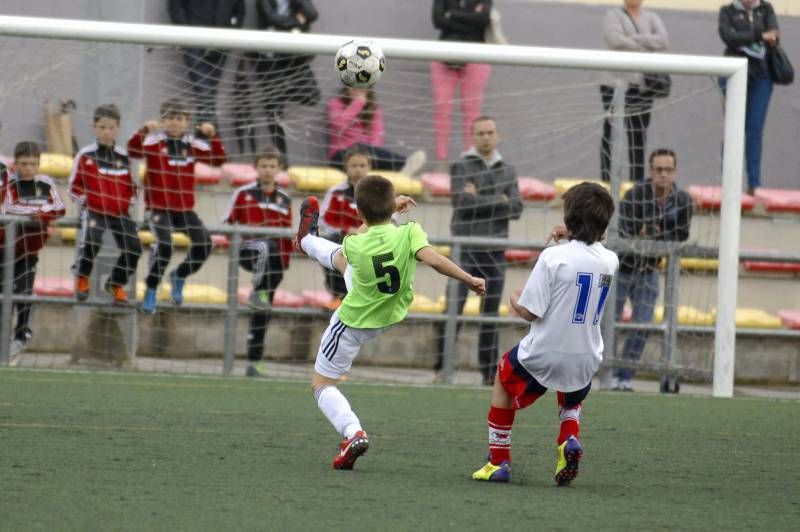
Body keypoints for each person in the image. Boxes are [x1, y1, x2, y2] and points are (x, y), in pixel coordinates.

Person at [294, 175, 486, 470]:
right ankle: (306, 238)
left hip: (353, 321)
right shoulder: (410, 233)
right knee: (342, 262)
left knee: (321, 384)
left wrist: (388, 211)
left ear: (359, 212)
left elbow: (360, 238)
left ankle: (352, 432)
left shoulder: (356, 242)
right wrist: (469, 278)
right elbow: (434, 260)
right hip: (391, 313)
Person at [471, 182, 618, 485]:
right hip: (588, 357)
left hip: (544, 352)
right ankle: (569, 438)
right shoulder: (610, 261)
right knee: (571, 392)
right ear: (604, 224)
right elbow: (590, 249)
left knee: (502, 377)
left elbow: (530, 312)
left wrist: (514, 299)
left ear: (568, 219)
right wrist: (577, 237)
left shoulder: (553, 258)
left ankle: (498, 461)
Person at [434, 116, 523, 385]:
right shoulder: (460, 166)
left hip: (494, 250)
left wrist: (479, 197)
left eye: (490, 132)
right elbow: (462, 203)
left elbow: (517, 209)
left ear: (498, 135)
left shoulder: (508, 169)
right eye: (481, 133)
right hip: (465, 250)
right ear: (473, 136)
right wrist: (500, 199)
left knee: (490, 313)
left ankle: (488, 374)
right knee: (453, 308)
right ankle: (442, 368)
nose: (486, 137)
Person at [127, 98, 226, 314]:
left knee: (205, 244)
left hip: (184, 210)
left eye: (179, 118)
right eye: (170, 118)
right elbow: (132, 151)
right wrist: (144, 130)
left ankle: (179, 274)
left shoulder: (192, 144)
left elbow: (218, 160)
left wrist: (213, 136)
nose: (174, 122)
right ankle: (151, 288)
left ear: (187, 122)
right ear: (162, 121)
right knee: (165, 246)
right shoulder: (154, 142)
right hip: (157, 210)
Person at [613, 148, 692, 391]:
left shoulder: (682, 200)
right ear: (650, 171)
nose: (663, 175)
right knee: (608, 322)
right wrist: (648, 236)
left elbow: (681, 235)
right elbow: (625, 233)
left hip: (649, 270)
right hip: (623, 268)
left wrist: (654, 236)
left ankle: (623, 377)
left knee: (643, 324)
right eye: (658, 169)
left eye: (668, 170)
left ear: (675, 171)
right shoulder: (634, 195)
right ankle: (601, 372)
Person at [223, 146, 293, 378]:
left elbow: (286, 235)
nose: (267, 170)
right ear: (256, 168)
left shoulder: (285, 199)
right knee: (265, 245)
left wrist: (283, 264)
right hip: (248, 251)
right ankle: (258, 291)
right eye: (263, 166)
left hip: (273, 263)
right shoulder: (243, 193)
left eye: (272, 166)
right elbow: (227, 223)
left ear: (279, 169)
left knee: (262, 313)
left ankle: (254, 362)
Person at [69, 104, 142, 305]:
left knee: (134, 247)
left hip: (120, 212)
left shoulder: (124, 156)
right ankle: (82, 276)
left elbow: (133, 186)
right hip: (94, 211)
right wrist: (88, 202)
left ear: (117, 128)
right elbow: (73, 187)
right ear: (94, 127)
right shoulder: (85, 155)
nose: (106, 132)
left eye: (111, 127)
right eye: (102, 127)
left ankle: (115, 283)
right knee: (92, 240)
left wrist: (128, 203)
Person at [1, 142, 66, 365]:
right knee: (4, 298)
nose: (29, 168)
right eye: (24, 164)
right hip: (4, 250)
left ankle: (21, 336)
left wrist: (41, 215)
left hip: (29, 251)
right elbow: (8, 209)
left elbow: (59, 208)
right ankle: (4, 342)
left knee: (26, 293)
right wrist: (34, 214)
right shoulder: (8, 184)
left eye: (33, 164)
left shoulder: (45, 183)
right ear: (15, 164)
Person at [232, 0, 320, 159]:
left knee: (312, 96)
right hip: (270, 59)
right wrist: (297, 21)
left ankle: (283, 91)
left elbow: (312, 14)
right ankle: (282, 159)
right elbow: (272, 19)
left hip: (294, 57)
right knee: (274, 112)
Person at [600, 0, 668, 183]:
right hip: (614, 83)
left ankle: (636, 183)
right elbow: (614, 39)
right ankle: (606, 181)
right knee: (611, 130)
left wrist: (633, 39)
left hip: (642, 86)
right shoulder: (613, 15)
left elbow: (663, 40)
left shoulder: (652, 17)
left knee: (638, 134)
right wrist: (646, 43)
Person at [719, 0, 780, 195]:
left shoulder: (766, 9)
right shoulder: (727, 11)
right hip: (733, 74)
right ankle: (728, 182)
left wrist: (750, 38)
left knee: (755, 129)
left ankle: (754, 183)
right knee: (733, 128)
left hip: (762, 76)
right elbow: (729, 38)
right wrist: (760, 35)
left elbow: (775, 36)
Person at [431, 0, 493, 168]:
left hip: (477, 55)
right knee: (442, 108)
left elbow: (483, 20)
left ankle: (470, 159)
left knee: (471, 109)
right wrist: (471, 19)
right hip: (446, 54)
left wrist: (452, 16)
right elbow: (437, 21)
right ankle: (441, 161)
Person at [167, 0, 245, 127]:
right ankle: (212, 138)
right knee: (206, 94)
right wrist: (185, 33)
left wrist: (229, 34)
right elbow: (174, 5)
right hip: (193, 41)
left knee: (208, 97)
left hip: (221, 43)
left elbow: (240, 11)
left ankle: (203, 142)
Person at [327, 87, 427, 176]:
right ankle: (404, 164)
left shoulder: (374, 109)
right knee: (359, 147)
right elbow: (338, 124)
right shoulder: (336, 103)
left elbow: (377, 139)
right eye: (353, 87)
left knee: (367, 151)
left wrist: (367, 155)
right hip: (341, 155)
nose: (357, 90)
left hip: (365, 156)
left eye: (361, 88)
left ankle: (402, 168)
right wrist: (358, 103)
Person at [318, 146, 371, 305]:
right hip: (342, 240)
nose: (358, 170)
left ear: (369, 167)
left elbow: (392, 219)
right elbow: (323, 221)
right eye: (354, 166)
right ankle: (340, 296)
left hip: (369, 241)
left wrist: (366, 231)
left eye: (362, 166)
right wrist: (345, 230)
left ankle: (363, 296)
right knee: (328, 244)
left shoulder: (377, 191)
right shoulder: (336, 192)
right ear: (346, 168)